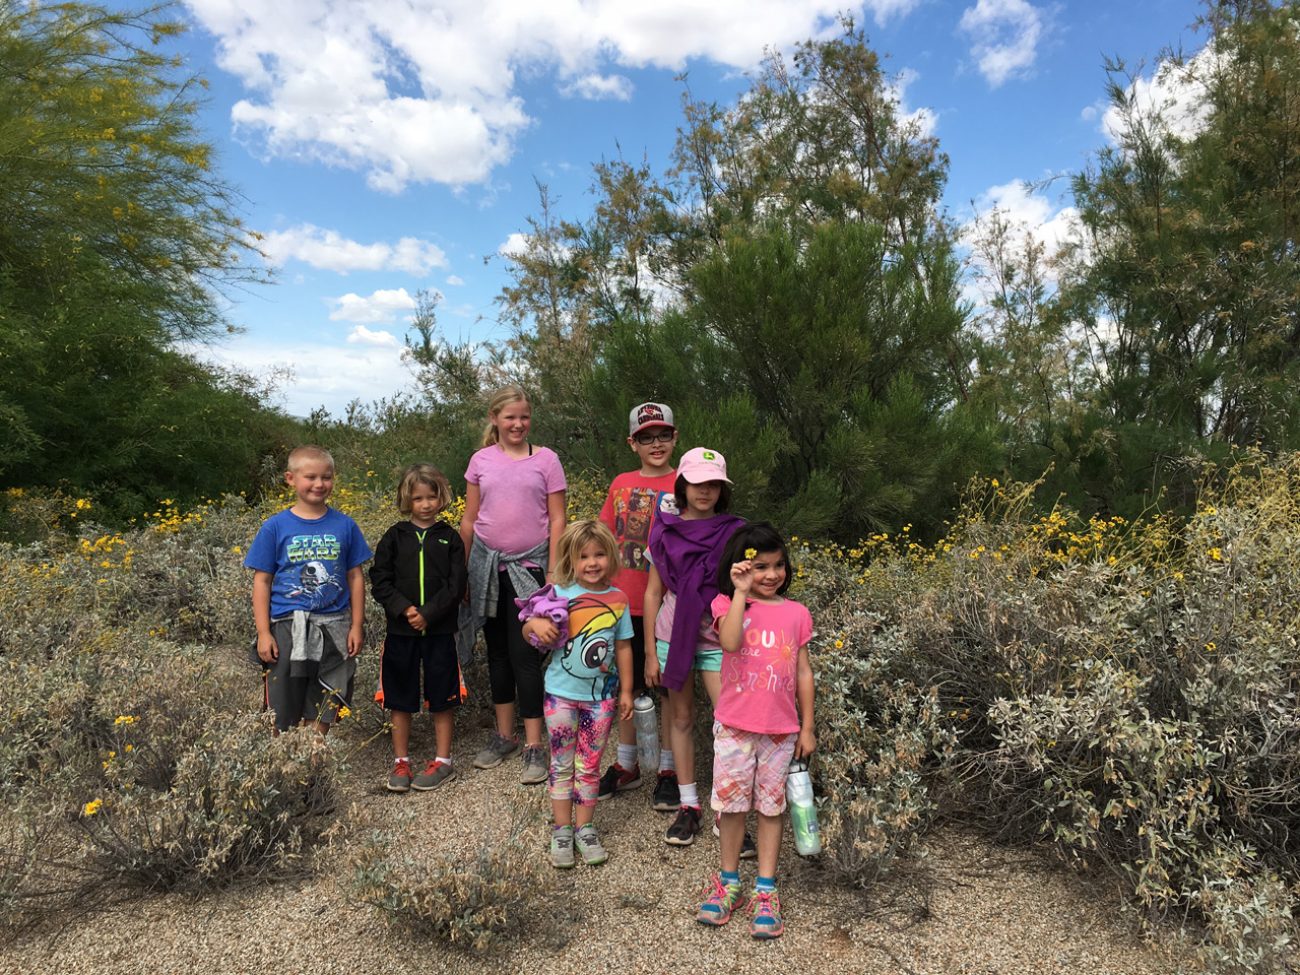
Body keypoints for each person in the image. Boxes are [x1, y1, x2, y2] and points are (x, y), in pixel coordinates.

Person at [696, 522, 815, 939]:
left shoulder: (797, 613)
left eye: (778, 565)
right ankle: (729, 882)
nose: (771, 574)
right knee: (731, 807)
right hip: (734, 726)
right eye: (760, 566)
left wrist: (808, 725)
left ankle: (766, 888)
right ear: (739, 567)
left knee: (771, 807)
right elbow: (728, 643)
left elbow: (802, 672)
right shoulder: (726, 604)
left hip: (781, 730)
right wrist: (740, 594)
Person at [457, 386, 567, 784]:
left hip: (532, 570)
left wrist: (553, 572)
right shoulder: (480, 461)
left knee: (525, 653)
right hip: (485, 568)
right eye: (510, 417)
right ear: (495, 419)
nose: (518, 424)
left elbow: (557, 519)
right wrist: (461, 570)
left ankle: (535, 744)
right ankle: (505, 735)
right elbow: (470, 518)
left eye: (524, 417)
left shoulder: (547, 460)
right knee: (498, 653)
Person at [644, 447, 744, 847]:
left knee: (730, 724)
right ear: (683, 483)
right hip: (672, 636)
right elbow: (654, 593)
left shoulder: (736, 531)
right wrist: (651, 651)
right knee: (681, 719)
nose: (705, 490)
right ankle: (689, 805)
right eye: (698, 482)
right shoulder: (665, 530)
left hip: (720, 638)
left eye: (714, 483)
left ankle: (727, 807)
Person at [521, 520, 634, 868]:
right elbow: (529, 625)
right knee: (561, 762)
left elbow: (624, 646)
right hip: (560, 695)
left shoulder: (618, 599)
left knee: (590, 765)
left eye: (599, 554)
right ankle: (561, 830)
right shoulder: (558, 593)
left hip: (601, 699)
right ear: (571, 558)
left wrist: (627, 689)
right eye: (584, 556)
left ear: (611, 556)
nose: (592, 562)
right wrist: (533, 626)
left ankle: (584, 828)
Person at [245, 445, 371, 734]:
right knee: (282, 704)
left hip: (333, 627)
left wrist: (356, 625)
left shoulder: (345, 525)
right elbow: (262, 581)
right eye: (310, 477)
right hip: (288, 628)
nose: (319, 484)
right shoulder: (275, 527)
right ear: (291, 478)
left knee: (324, 699)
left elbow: (355, 576)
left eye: (326, 477)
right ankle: (283, 765)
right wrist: (264, 633)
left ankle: (314, 762)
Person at [596, 402, 680, 804]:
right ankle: (627, 763)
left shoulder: (685, 482)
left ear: (675, 437)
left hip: (667, 607)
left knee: (665, 688)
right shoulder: (621, 483)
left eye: (663, 434)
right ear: (633, 443)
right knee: (623, 685)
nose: (656, 443)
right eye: (646, 437)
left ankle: (668, 766)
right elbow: (603, 537)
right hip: (621, 601)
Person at [370, 463, 467, 793]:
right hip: (401, 632)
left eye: (432, 497)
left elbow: (456, 587)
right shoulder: (394, 537)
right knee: (400, 697)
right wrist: (405, 609)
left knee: (442, 696)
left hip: (440, 631)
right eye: (418, 498)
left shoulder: (450, 538)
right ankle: (402, 760)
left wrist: (428, 613)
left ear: (442, 498)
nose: (425, 504)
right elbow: (379, 581)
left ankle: (443, 760)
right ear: (406, 500)